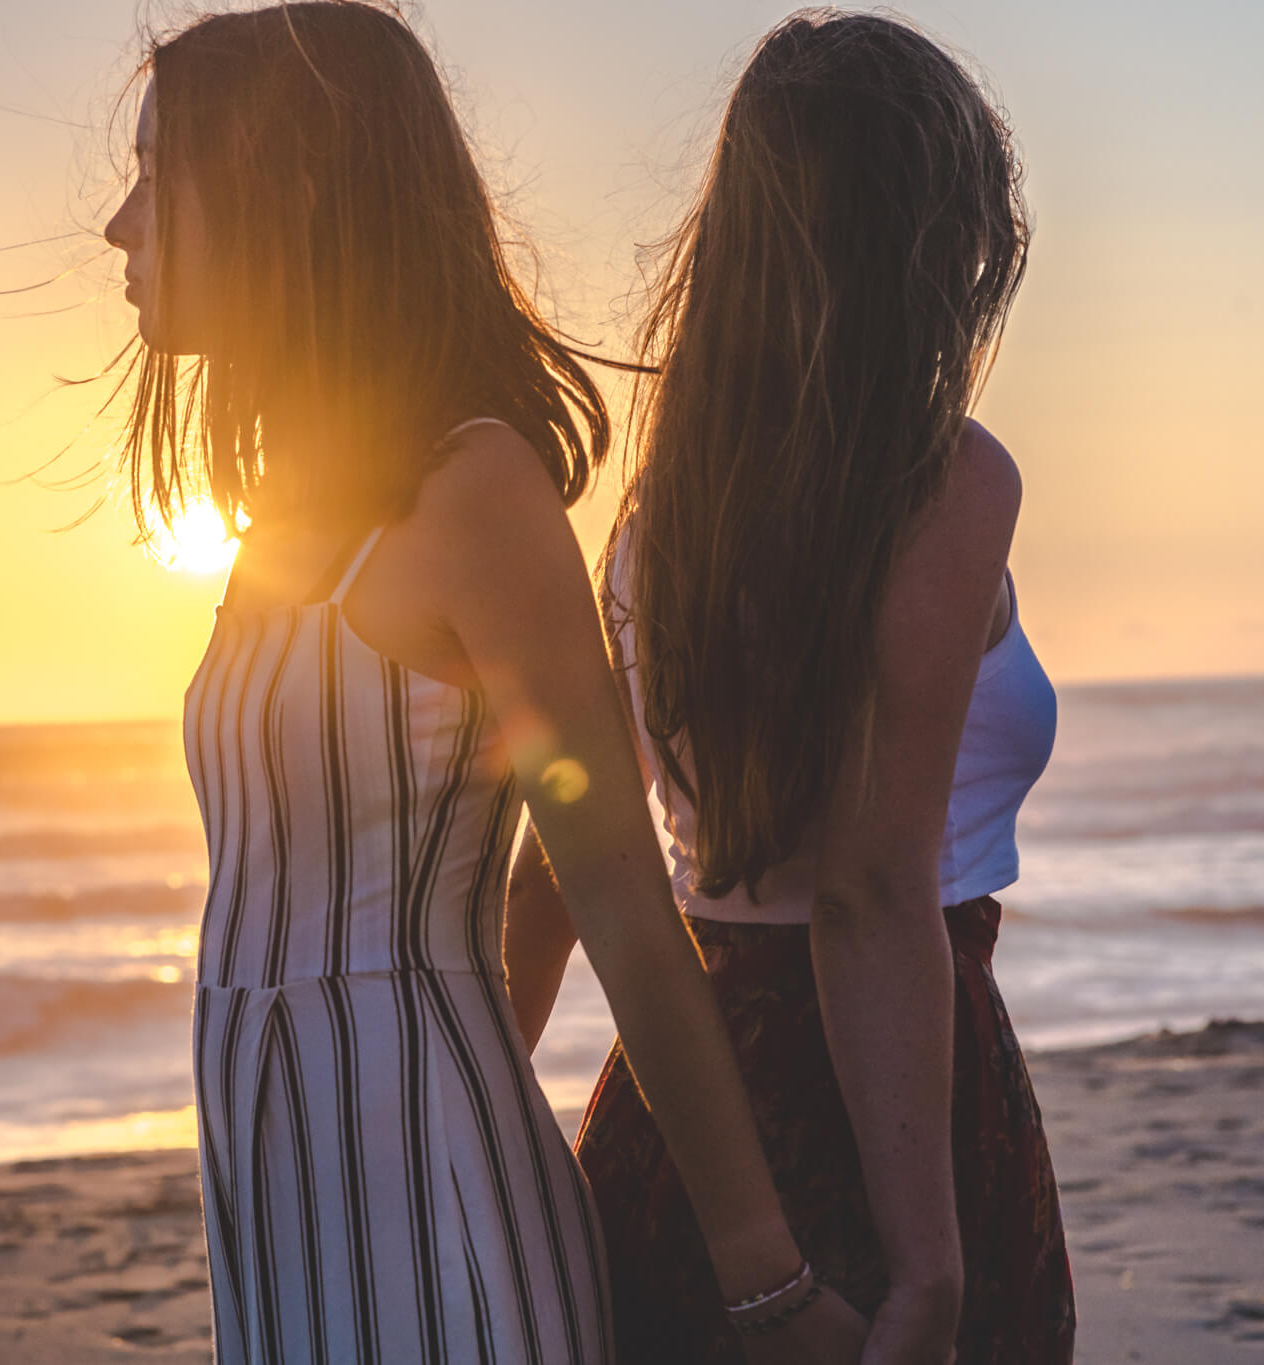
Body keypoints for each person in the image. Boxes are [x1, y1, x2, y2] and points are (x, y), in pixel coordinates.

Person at [101, 3, 868, 1360]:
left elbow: (620, 898)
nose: (123, 226)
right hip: (282, 1212)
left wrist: (765, 1281)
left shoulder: (477, 491)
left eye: (162, 178)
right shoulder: (283, 516)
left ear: (287, 189)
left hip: (439, 1214)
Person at [503, 11, 1076, 1363]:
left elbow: (562, 853)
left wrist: (487, 1104)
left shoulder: (661, 505)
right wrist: (929, 1272)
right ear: (935, 238)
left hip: (682, 1119)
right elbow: (873, 896)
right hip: (891, 1118)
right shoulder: (945, 482)